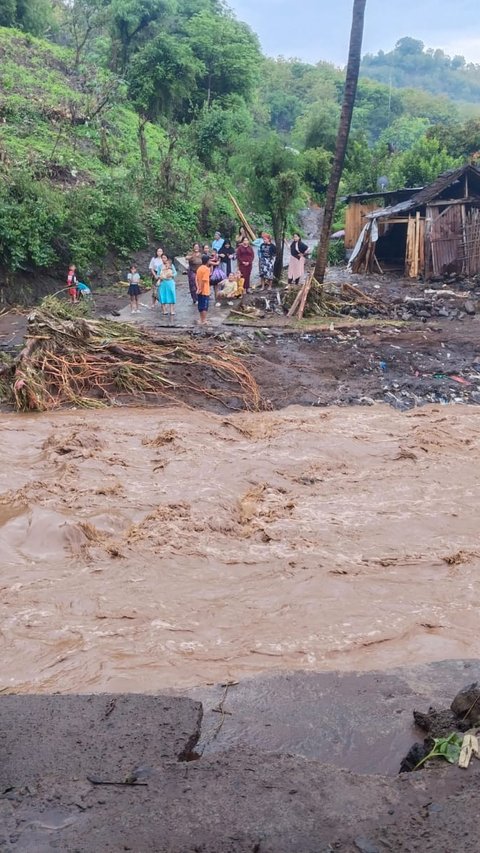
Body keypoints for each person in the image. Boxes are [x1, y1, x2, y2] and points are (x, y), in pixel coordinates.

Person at [196, 254, 211, 325]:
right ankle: (204, 320)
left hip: (199, 289)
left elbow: (196, 279)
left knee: (200, 305)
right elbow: (204, 280)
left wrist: (198, 288)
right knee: (205, 306)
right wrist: (201, 289)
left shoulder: (199, 268)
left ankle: (201, 319)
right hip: (204, 290)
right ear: (207, 261)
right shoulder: (206, 269)